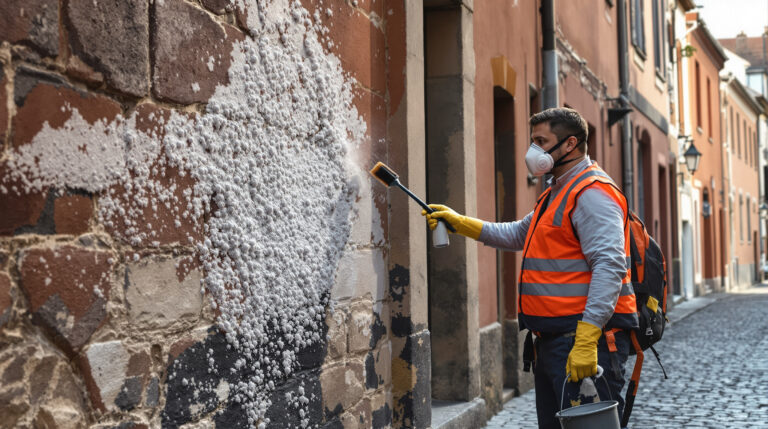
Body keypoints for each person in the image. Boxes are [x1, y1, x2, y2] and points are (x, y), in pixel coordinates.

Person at [422, 107, 638, 429]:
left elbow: (609, 266)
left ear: (570, 144)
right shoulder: (557, 191)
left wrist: (586, 340)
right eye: (533, 140)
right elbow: (518, 234)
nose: (533, 150)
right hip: (554, 342)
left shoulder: (592, 192)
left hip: (583, 341)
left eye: (541, 141)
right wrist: (461, 223)